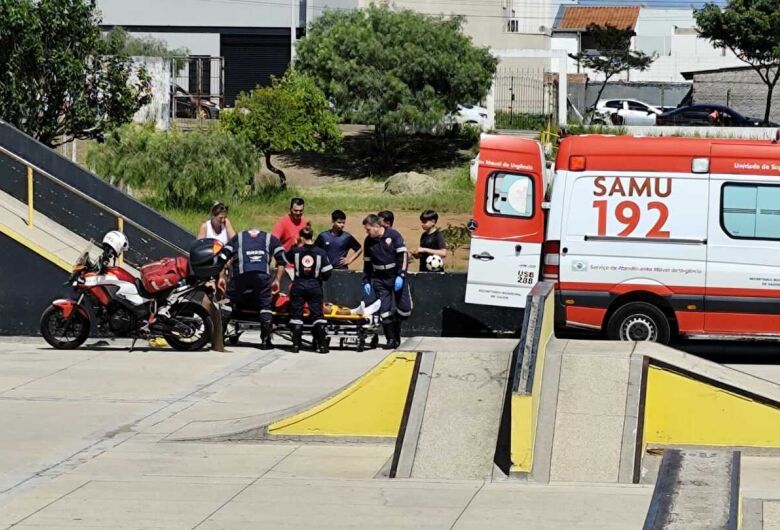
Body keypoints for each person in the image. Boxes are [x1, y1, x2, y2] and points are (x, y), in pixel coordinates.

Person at [224, 228, 287, 349]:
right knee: (265, 305)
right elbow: (282, 260)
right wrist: (277, 280)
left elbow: (223, 256)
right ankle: (265, 340)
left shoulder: (239, 237)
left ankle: (220, 336)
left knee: (228, 301)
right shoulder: (270, 238)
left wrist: (222, 276)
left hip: (241, 274)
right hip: (262, 275)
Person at [362, 214, 412, 349]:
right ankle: (391, 339)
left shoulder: (394, 236)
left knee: (405, 309)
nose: (367, 232)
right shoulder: (368, 241)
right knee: (384, 310)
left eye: (368, 229)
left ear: (377, 226)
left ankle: (397, 327)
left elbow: (403, 256)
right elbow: (367, 263)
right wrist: (366, 280)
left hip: (395, 275)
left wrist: (401, 275)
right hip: (379, 278)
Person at [287, 227, 333, 353]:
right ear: (312, 236)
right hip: (314, 285)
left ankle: (296, 346)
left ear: (301, 237)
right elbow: (328, 272)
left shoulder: (296, 251)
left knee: (297, 314)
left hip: (299, 284)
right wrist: (319, 279)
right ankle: (322, 346)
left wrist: (295, 244)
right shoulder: (321, 252)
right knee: (317, 314)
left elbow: (286, 258)